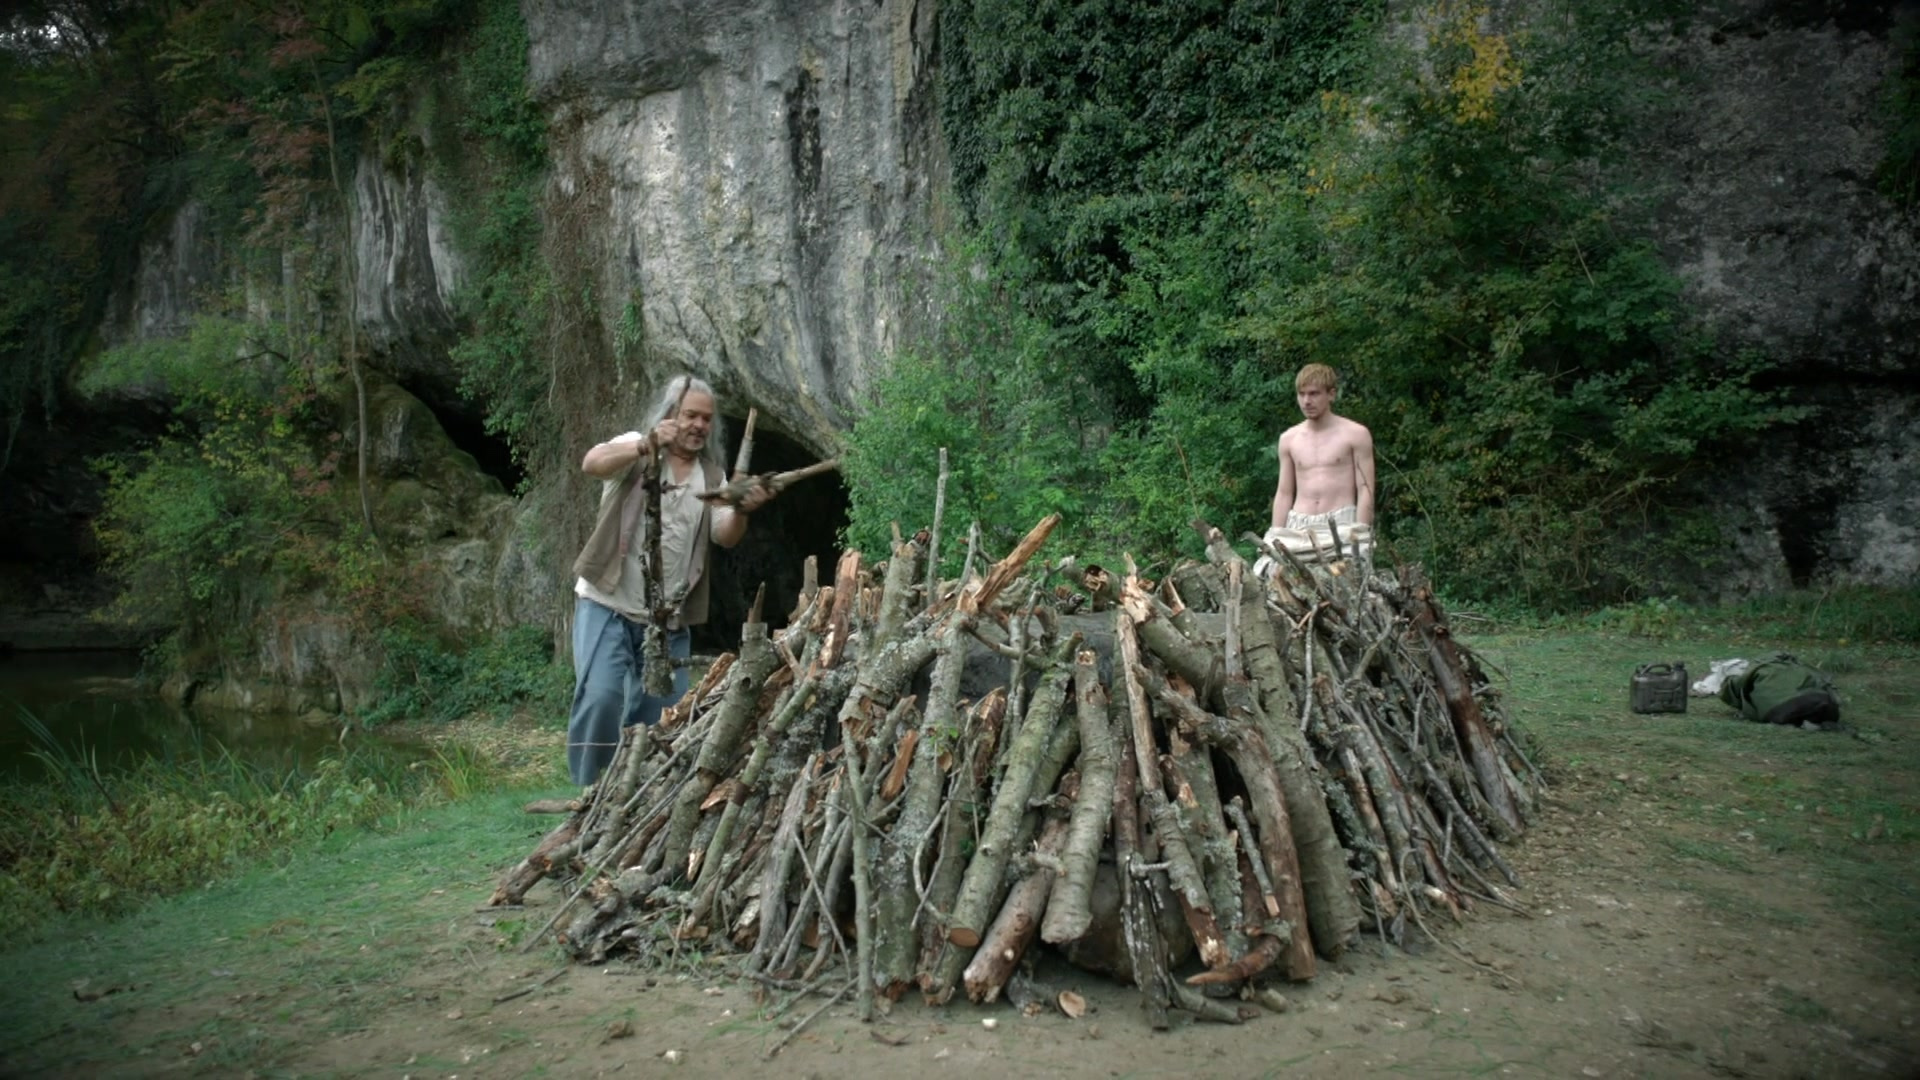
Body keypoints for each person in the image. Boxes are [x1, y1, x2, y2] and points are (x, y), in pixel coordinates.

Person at [565, 374, 770, 785]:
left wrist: (744, 508)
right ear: (669, 415)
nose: (699, 425)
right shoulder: (636, 448)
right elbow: (591, 462)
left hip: (667, 618)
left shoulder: (713, 478)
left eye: (706, 419)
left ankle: (637, 788)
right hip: (607, 604)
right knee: (601, 696)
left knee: (664, 712)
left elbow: (725, 535)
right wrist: (646, 443)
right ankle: (588, 792)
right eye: (690, 415)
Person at [1264, 363, 1377, 566]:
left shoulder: (1356, 434)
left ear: (1331, 394)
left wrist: (1361, 532)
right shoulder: (1289, 439)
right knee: (1271, 574)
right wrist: (1276, 534)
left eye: (1314, 394)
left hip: (1341, 525)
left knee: (1346, 581)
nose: (1307, 401)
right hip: (1299, 527)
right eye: (1302, 394)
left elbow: (1365, 489)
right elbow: (1284, 492)